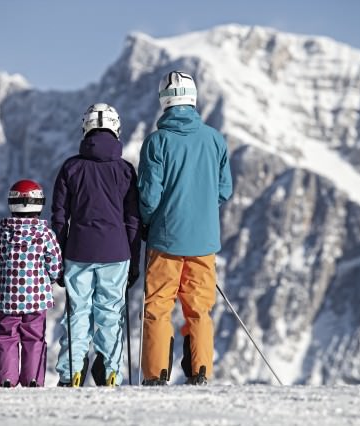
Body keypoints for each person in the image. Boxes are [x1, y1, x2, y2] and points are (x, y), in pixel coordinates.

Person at [137, 71, 233, 385]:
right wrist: (202, 211)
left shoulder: (156, 142)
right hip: (204, 242)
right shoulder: (215, 139)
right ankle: (200, 371)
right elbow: (224, 189)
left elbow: (149, 196)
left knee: (158, 307)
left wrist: (147, 222)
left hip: (165, 239)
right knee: (199, 310)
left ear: (164, 101)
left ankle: (156, 374)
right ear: (193, 99)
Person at [52, 103, 141, 387]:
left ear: (86, 129)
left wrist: (60, 254)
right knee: (110, 313)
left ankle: (72, 372)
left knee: (77, 313)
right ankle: (111, 371)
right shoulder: (125, 170)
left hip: (78, 250)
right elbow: (133, 220)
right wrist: (133, 261)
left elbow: (58, 217)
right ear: (116, 129)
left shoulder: (71, 168)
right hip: (116, 252)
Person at [0, 179, 63, 387]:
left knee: (7, 337)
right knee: (34, 338)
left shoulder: (4, 234)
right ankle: (33, 379)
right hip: (37, 298)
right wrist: (49, 278)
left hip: (8, 297)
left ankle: (6, 379)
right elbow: (55, 264)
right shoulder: (45, 234)